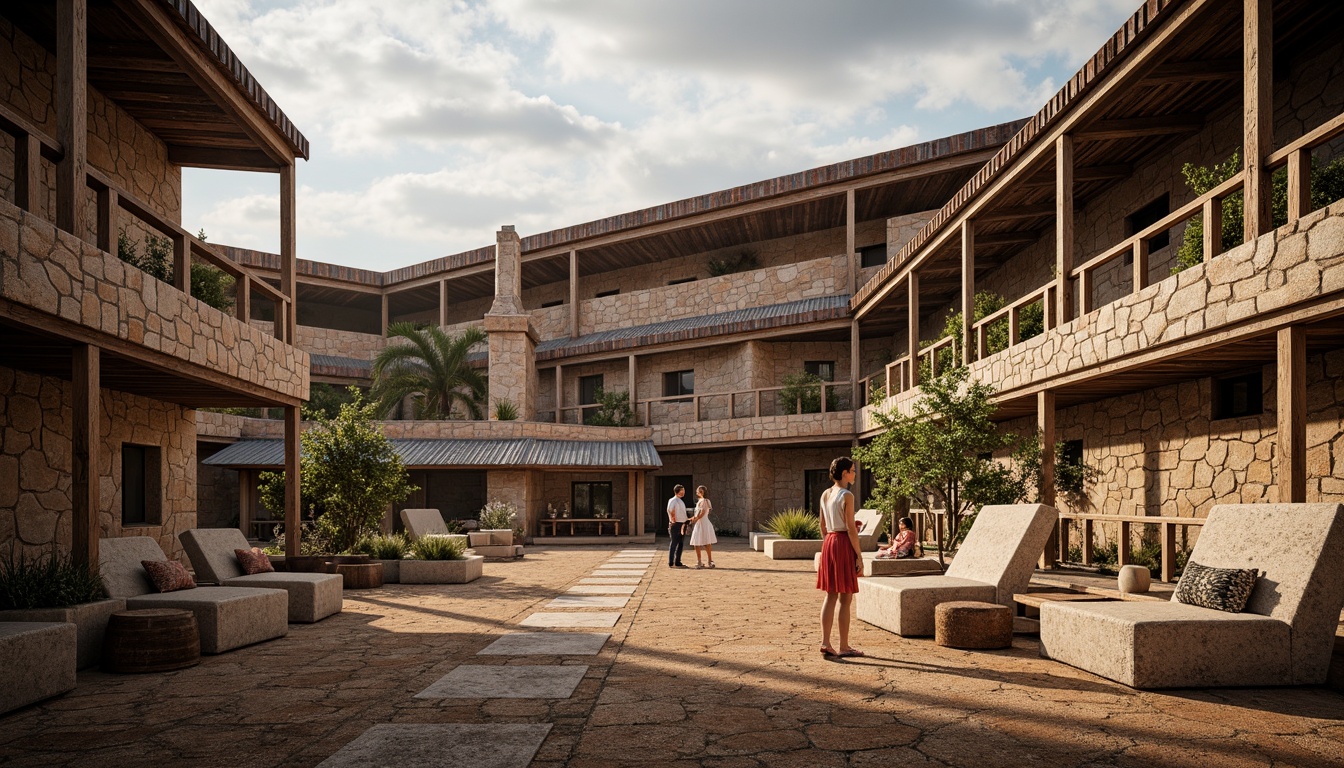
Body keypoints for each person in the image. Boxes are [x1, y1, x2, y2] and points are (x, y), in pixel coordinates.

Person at [816, 456, 863, 658]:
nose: (855, 473)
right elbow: (851, 528)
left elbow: (822, 526)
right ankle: (844, 646)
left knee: (830, 594)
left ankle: (826, 642)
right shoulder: (847, 496)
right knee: (846, 598)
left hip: (829, 542)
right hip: (843, 542)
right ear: (844, 473)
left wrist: (829, 543)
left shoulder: (825, 494)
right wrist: (859, 556)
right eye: (852, 470)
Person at [688, 485, 718, 568]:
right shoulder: (699, 501)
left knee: (707, 543)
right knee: (696, 543)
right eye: (698, 490)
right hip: (699, 523)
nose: (699, 492)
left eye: (701, 491)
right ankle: (699, 561)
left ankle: (710, 560)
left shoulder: (705, 501)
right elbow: (698, 513)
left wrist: (695, 519)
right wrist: (693, 518)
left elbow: (703, 512)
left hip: (703, 523)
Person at [666, 484, 689, 568]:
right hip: (676, 524)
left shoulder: (680, 501)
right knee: (674, 542)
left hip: (682, 523)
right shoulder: (673, 500)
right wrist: (673, 521)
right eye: (682, 490)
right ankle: (671, 561)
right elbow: (670, 510)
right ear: (677, 491)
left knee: (681, 543)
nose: (683, 492)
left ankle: (678, 561)